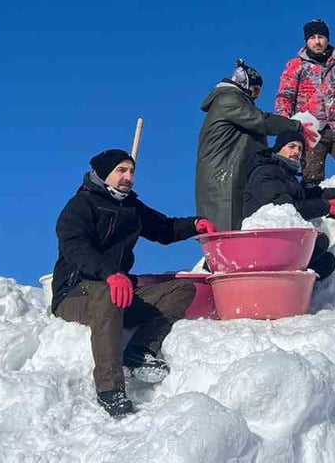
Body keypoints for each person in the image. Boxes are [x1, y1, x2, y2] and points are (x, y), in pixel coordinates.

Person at [51, 148, 217, 418]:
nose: (128, 177)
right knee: (106, 293)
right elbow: (76, 248)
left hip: (117, 292)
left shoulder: (131, 207)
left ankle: (139, 352)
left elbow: (164, 229)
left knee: (181, 288)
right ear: (104, 174)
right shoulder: (80, 206)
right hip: (75, 294)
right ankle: (110, 389)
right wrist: (109, 273)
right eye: (121, 170)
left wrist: (195, 224)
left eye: (131, 171)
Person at [196, 59, 316, 232]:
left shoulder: (235, 104)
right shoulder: (228, 99)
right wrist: (296, 126)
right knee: (227, 231)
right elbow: (260, 120)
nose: (256, 95)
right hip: (223, 180)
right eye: (255, 89)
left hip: (229, 175)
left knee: (237, 231)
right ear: (244, 83)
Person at [243, 129, 335, 280]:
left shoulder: (286, 175)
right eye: (291, 146)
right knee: (318, 242)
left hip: (278, 243)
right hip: (262, 243)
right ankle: (276, 284)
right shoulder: (266, 172)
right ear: (279, 148)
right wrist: (328, 206)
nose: (296, 151)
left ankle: (295, 291)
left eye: (300, 149)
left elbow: (309, 193)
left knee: (325, 262)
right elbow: (286, 208)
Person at [274, 18, 335, 185]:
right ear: (307, 41)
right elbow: (285, 96)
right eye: (312, 38)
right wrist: (286, 124)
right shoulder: (296, 65)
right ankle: (316, 208)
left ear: (327, 38)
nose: (317, 42)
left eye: (320, 37)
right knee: (311, 178)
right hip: (310, 130)